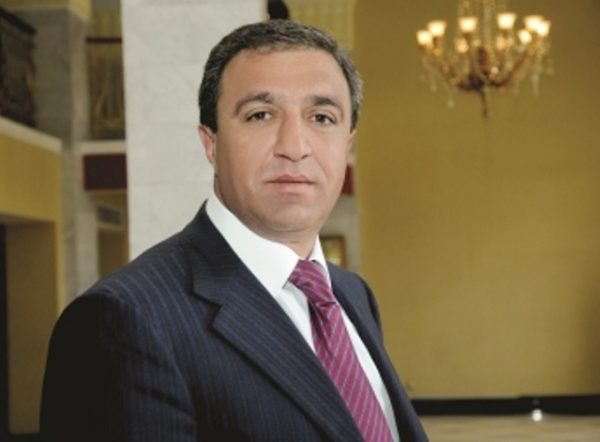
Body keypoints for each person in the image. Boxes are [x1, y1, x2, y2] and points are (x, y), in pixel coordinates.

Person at [40, 20, 428, 442]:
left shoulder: (352, 295)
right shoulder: (123, 320)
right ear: (211, 143)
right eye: (260, 115)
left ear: (347, 142)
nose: (295, 146)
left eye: (322, 117)